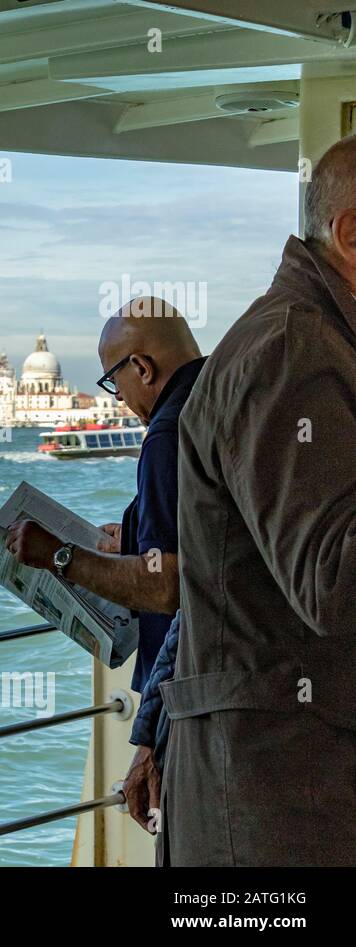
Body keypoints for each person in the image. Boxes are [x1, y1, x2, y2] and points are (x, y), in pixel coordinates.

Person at [164, 134, 356, 865]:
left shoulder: (313, 341)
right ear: (352, 233)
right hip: (280, 800)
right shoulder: (291, 351)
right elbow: (333, 582)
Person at [4, 299, 204, 847]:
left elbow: (168, 586)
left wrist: (59, 557)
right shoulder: (218, 401)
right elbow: (200, 540)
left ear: (141, 368)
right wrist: (135, 535)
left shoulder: (166, 434)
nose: (120, 400)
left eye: (115, 381)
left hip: (191, 694)